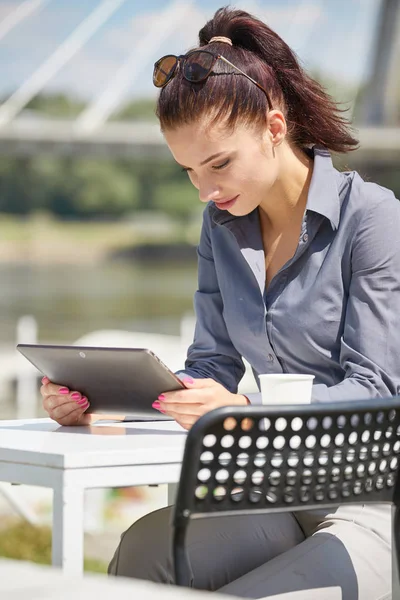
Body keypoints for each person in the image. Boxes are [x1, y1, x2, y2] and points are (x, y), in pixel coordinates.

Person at [40, 7, 400, 599]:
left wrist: (246, 406)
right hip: (270, 492)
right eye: (188, 171)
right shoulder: (222, 225)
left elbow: (377, 389)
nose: (206, 190)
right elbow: (210, 369)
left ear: (275, 127)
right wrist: (107, 401)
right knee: (143, 555)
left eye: (219, 163)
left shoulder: (372, 218)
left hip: (370, 504)